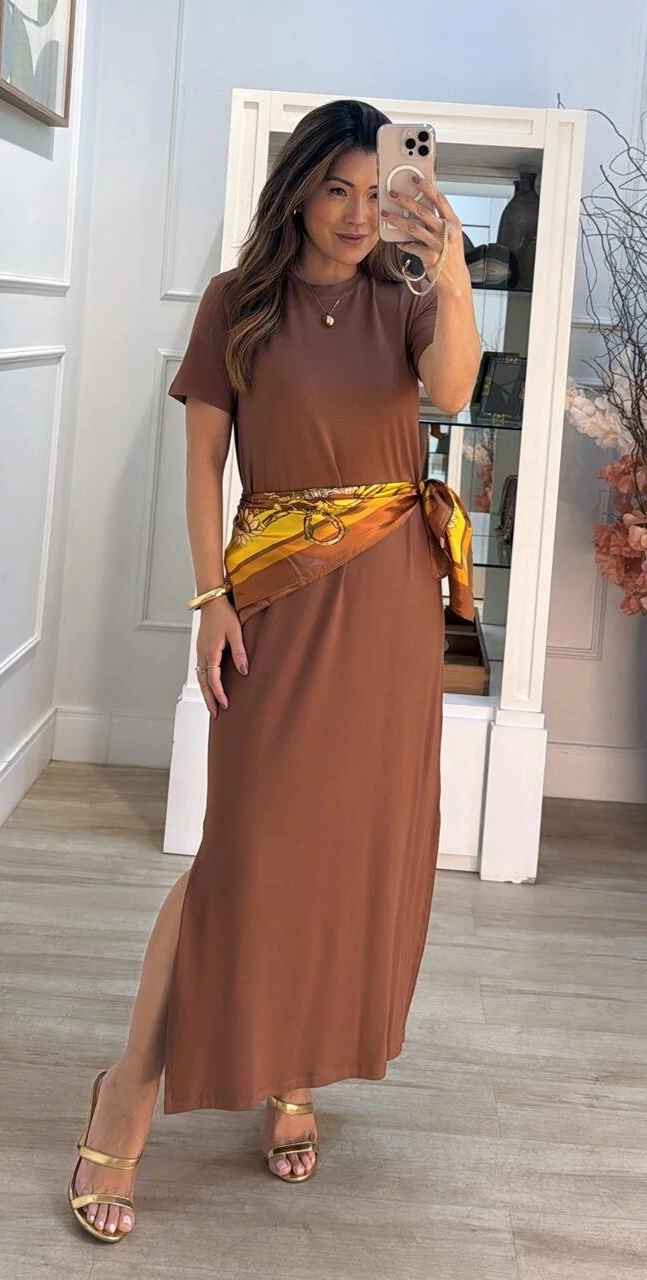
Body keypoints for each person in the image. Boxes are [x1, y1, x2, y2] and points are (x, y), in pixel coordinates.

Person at [68, 97, 481, 1243]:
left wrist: (449, 268)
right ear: (297, 189)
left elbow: (453, 390)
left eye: (376, 191)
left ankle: (291, 1073)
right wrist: (208, 600)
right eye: (335, 188)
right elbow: (203, 462)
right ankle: (126, 1087)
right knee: (242, 855)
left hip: (390, 609)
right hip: (277, 606)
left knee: (344, 851)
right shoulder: (236, 302)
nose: (356, 212)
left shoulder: (408, 299)